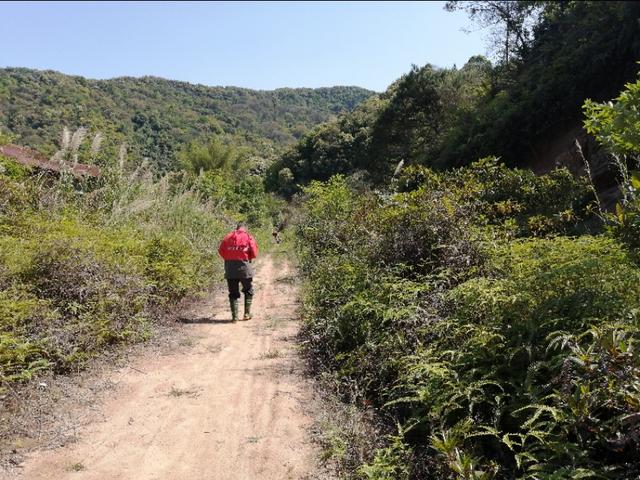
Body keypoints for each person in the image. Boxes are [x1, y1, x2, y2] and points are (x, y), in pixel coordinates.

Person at [218, 223, 259, 321]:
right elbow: (254, 253)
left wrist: (230, 259)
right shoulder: (248, 237)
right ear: (245, 228)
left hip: (230, 268)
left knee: (233, 292)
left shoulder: (227, 237)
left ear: (236, 228)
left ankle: (234, 317)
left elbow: (221, 251)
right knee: (248, 290)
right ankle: (246, 314)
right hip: (244, 268)